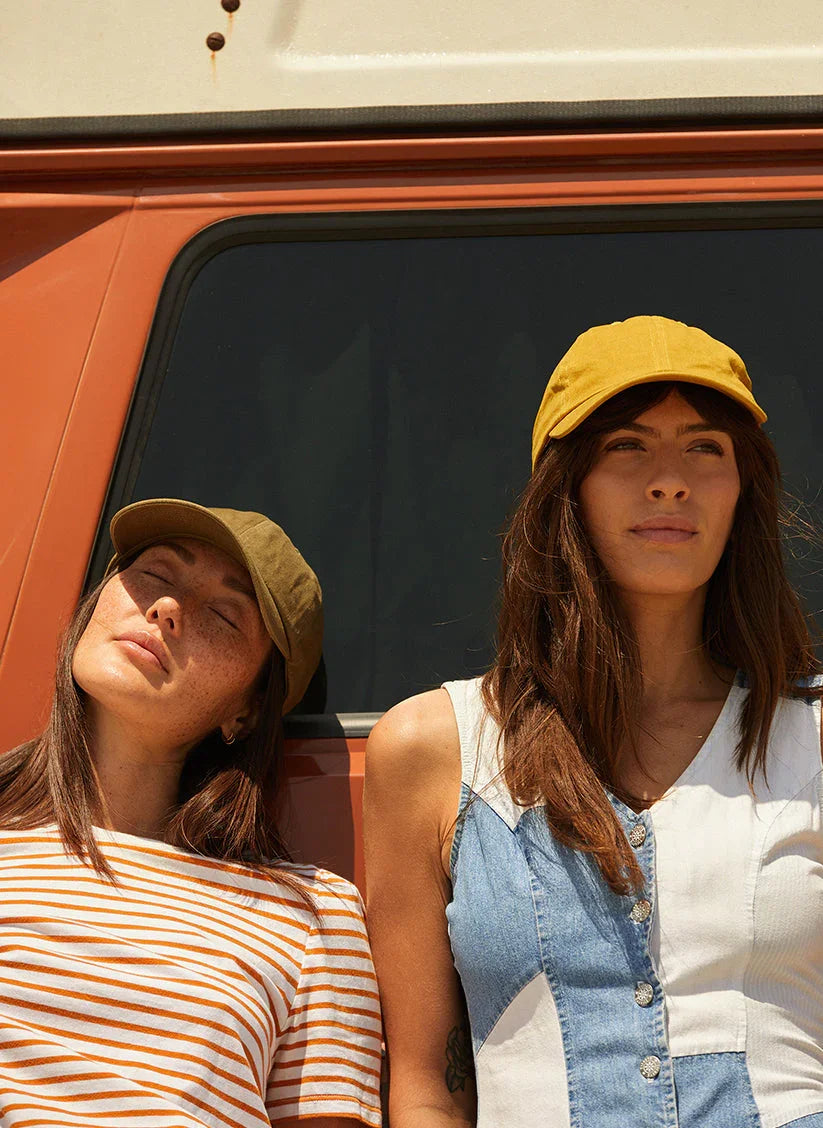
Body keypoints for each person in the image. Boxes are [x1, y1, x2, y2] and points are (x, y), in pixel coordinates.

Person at [364, 315, 823, 1128]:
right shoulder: (435, 748)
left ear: (741, 489)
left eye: (704, 448)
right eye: (626, 447)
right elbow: (428, 1090)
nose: (669, 481)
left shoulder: (811, 739)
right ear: (564, 489)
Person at [0, 498, 382, 1128]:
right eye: (153, 574)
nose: (167, 609)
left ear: (248, 711)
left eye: (226, 616)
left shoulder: (311, 917)